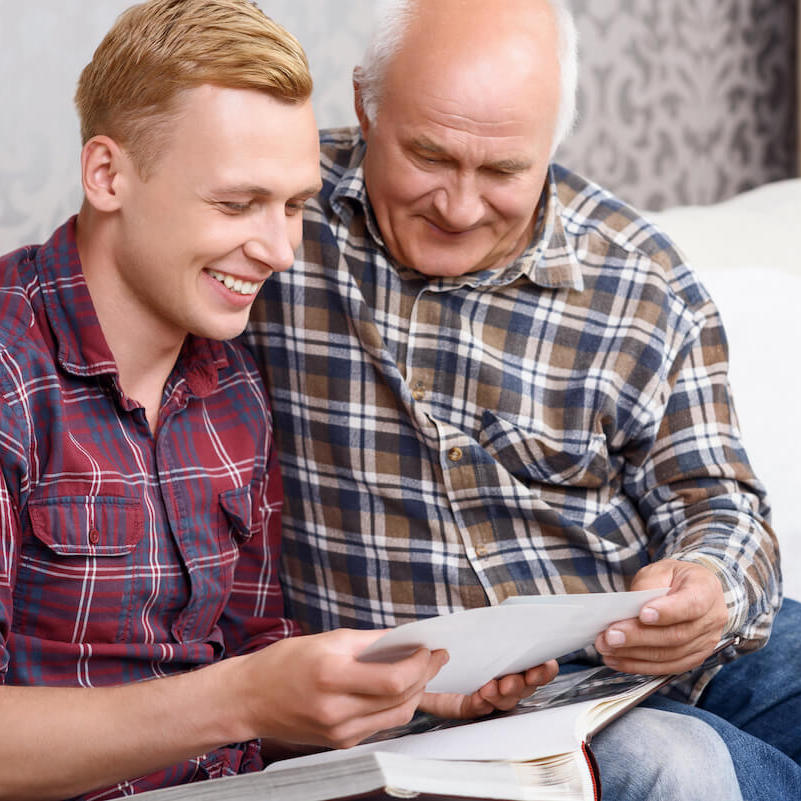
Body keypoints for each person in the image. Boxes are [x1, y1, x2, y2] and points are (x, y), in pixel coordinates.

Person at [0, 2, 562, 799]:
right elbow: (237, 695)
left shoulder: (232, 389)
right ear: (107, 174)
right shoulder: (10, 376)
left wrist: (404, 699)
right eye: (236, 204)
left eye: (294, 205)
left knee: (648, 758)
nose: (279, 251)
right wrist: (237, 697)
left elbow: (258, 673)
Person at [245, 0, 801, 798]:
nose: (459, 206)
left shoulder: (637, 280)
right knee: (673, 761)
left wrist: (709, 583)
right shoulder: (276, 221)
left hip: (646, 651)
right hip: (465, 708)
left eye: (503, 170)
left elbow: (716, 498)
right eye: (427, 156)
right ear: (366, 103)